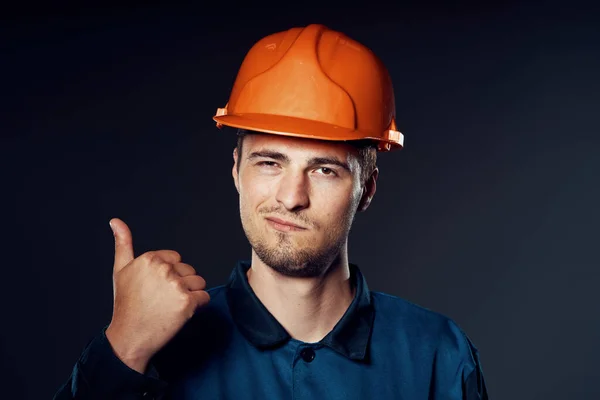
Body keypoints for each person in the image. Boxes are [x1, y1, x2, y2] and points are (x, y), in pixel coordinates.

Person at [54, 23, 488, 400]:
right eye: (270, 163)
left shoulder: (437, 354)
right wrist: (123, 349)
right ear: (237, 171)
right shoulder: (158, 346)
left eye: (323, 169)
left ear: (366, 188)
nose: (291, 196)